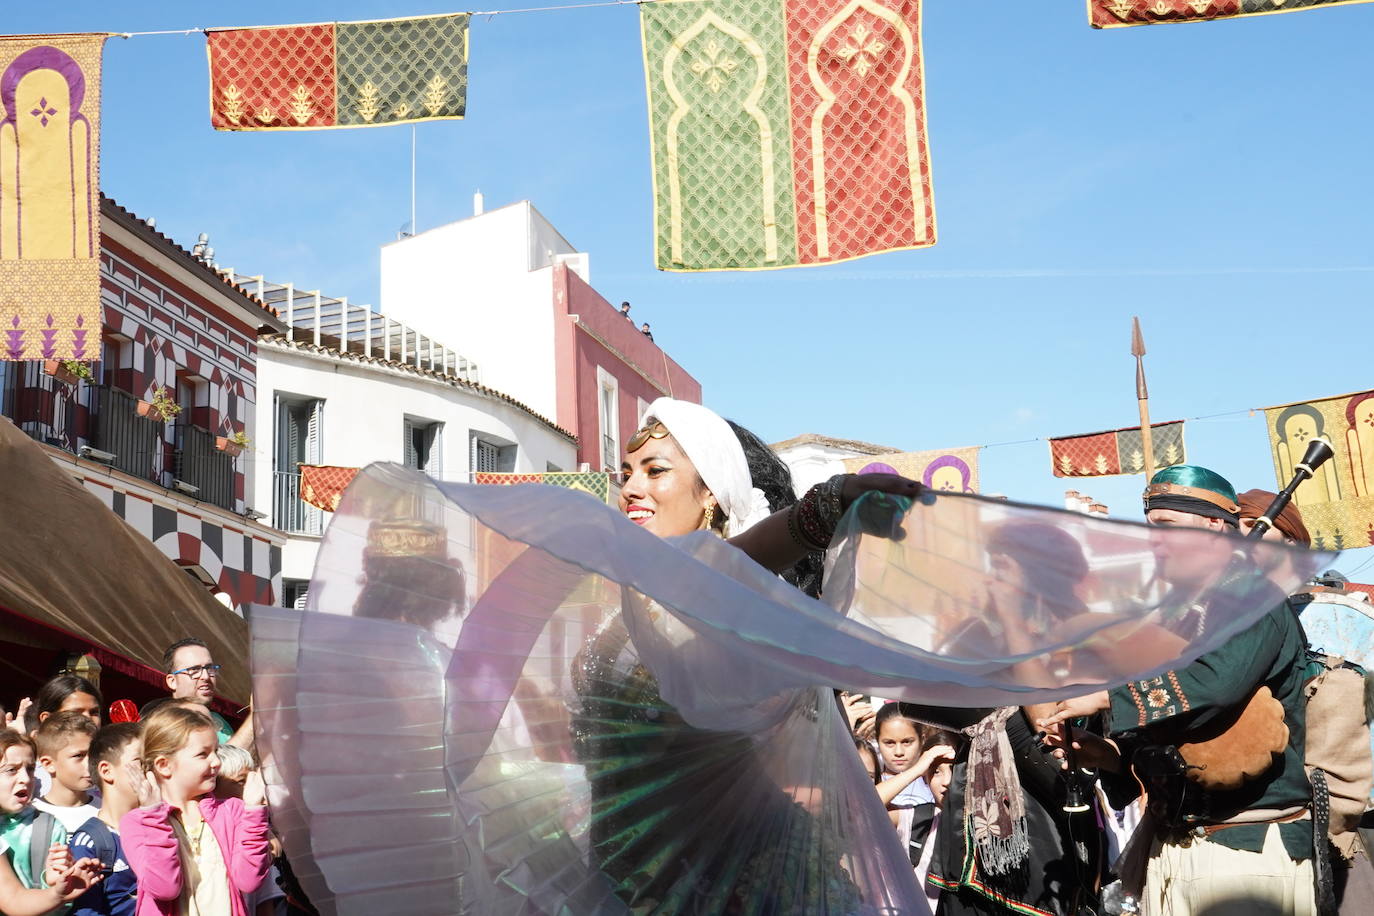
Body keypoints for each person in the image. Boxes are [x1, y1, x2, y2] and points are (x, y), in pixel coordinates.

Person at [1043, 464, 1317, 916]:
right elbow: (1182, 738)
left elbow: (1214, 686)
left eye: (1167, 526)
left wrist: (1109, 696)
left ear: (1215, 525)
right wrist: (1106, 754)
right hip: (1174, 844)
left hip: (1244, 850)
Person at [121, 705, 271, 916]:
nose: (216, 762)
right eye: (203, 754)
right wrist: (154, 816)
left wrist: (255, 812)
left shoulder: (232, 810)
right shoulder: (137, 822)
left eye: (216, 751)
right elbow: (165, 888)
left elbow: (249, 881)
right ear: (164, 765)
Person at [69, 722, 143, 916]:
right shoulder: (90, 842)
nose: (150, 770)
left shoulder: (159, 828)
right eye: (140, 762)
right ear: (106, 771)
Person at [159, 639, 250, 748]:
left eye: (209, 668)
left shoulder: (217, 719)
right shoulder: (168, 725)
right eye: (194, 670)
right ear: (172, 681)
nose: (206, 677)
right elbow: (225, 764)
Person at [33, 712, 100, 834]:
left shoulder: (106, 811)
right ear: (49, 764)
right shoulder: (32, 816)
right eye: (78, 756)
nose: (90, 764)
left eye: (94, 753)